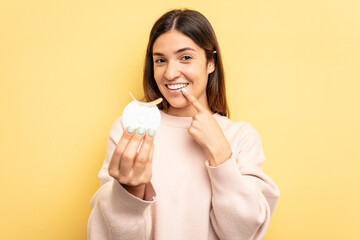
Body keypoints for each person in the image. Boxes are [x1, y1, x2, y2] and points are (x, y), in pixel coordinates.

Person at [88, 9, 280, 240]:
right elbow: (108, 234)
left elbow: (240, 233)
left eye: (185, 57)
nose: (170, 73)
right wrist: (130, 192)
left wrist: (220, 151)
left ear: (211, 62)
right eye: (160, 60)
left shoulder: (241, 136)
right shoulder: (129, 130)